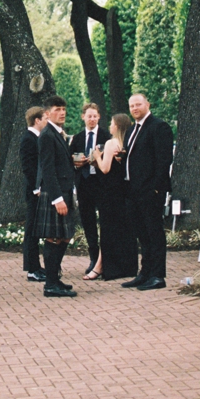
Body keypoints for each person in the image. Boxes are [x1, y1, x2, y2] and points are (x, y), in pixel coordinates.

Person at [120, 93, 174, 292]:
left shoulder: (159, 127)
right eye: (132, 105)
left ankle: (158, 275)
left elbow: (163, 160)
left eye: (138, 104)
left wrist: (156, 188)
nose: (135, 108)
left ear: (147, 104)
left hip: (150, 190)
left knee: (154, 232)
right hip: (133, 190)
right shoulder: (132, 129)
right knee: (141, 233)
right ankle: (145, 272)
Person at [34, 98, 77, 298]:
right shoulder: (47, 135)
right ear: (48, 113)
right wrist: (57, 198)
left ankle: (54, 278)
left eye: (63, 109)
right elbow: (48, 170)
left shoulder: (57, 133)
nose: (62, 113)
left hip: (65, 190)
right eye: (57, 109)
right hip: (56, 193)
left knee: (65, 236)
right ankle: (50, 284)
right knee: (53, 237)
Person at [91, 112, 138, 282]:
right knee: (123, 229)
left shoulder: (111, 143)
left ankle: (105, 267)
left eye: (111, 123)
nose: (109, 126)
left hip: (109, 192)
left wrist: (96, 157)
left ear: (116, 126)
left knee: (108, 229)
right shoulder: (127, 143)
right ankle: (125, 266)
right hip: (123, 191)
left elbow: (105, 169)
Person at [69, 102, 110, 278]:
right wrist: (76, 162)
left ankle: (105, 260)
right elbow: (69, 160)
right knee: (88, 222)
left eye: (95, 116)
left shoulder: (107, 137)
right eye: (89, 116)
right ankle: (93, 259)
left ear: (99, 117)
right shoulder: (77, 139)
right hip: (84, 184)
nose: (92, 119)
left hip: (101, 184)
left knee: (105, 222)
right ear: (83, 117)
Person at [19, 106, 46, 282]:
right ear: (37, 120)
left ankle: (36, 266)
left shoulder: (35, 138)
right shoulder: (28, 139)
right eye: (45, 118)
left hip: (37, 189)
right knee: (31, 230)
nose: (47, 121)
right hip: (34, 191)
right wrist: (36, 188)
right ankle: (31, 269)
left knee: (35, 230)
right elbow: (28, 167)